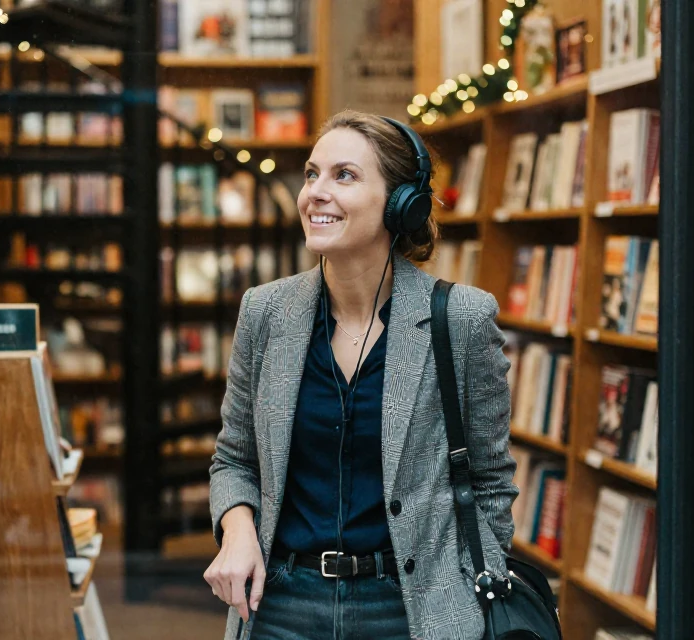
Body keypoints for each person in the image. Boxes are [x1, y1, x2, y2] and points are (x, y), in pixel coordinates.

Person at [206, 110, 517, 639]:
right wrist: (236, 531)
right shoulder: (265, 312)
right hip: (282, 607)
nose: (315, 193)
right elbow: (234, 459)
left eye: (343, 175)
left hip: (410, 612)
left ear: (400, 204)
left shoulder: (460, 319)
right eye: (311, 174)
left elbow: (490, 481)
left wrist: (463, 589)